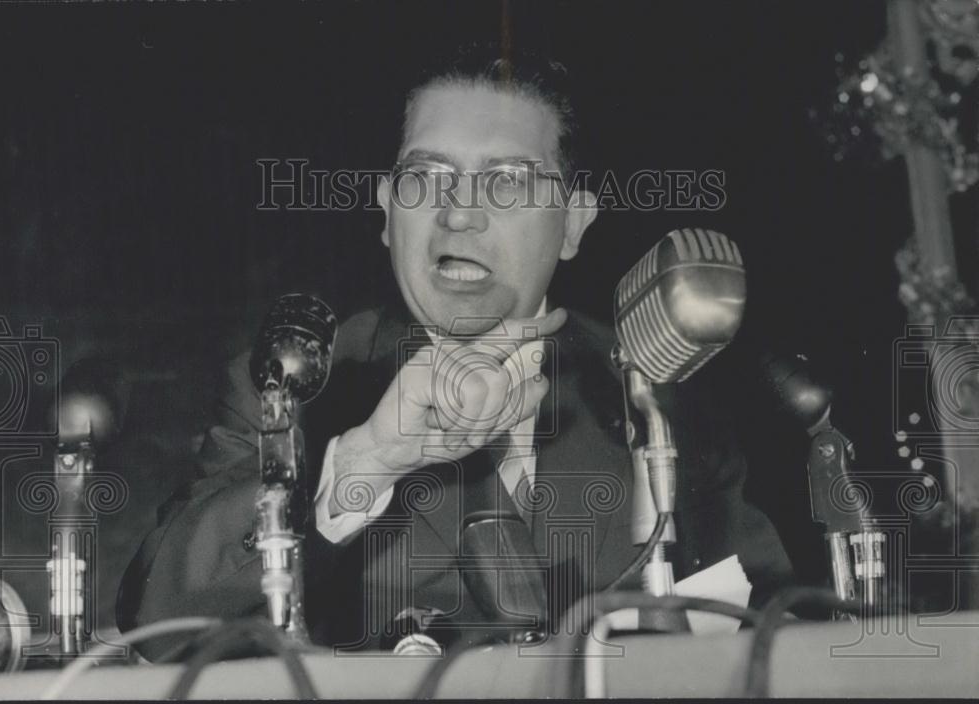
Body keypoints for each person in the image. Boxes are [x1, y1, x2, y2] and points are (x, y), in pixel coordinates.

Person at [116, 46, 794, 658]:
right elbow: (160, 622)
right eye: (426, 179)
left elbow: (776, 631)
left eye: (506, 182)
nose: (459, 213)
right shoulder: (298, 379)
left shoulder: (654, 385)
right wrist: (364, 462)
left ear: (573, 224)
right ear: (386, 212)